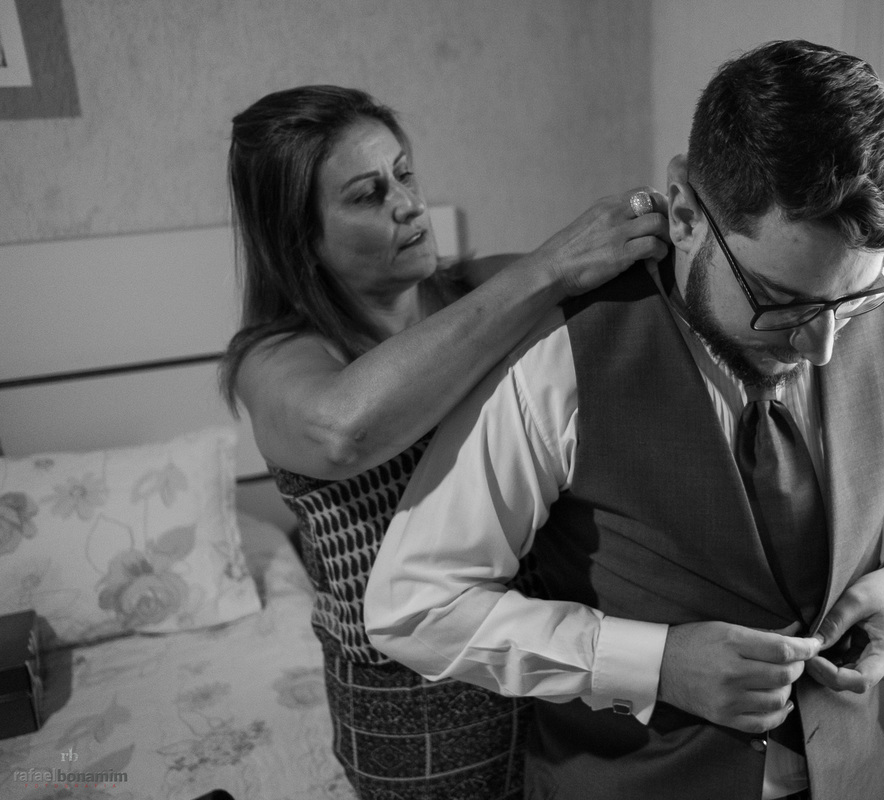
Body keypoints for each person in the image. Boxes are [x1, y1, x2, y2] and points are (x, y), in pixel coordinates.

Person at [364, 40, 884, 800]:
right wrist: (654, 664)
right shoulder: (557, 360)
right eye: (781, 301)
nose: (822, 345)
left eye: (853, 299)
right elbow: (414, 603)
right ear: (685, 214)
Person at [218, 84, 668, 800]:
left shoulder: (480, 289)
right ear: (300, 238)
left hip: (549, 652)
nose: (408, 204)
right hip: (409, 706)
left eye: (404, 173)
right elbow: (343, 432)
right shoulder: (274, 359)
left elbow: (639, 282)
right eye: (368, 195)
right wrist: (550, 267)